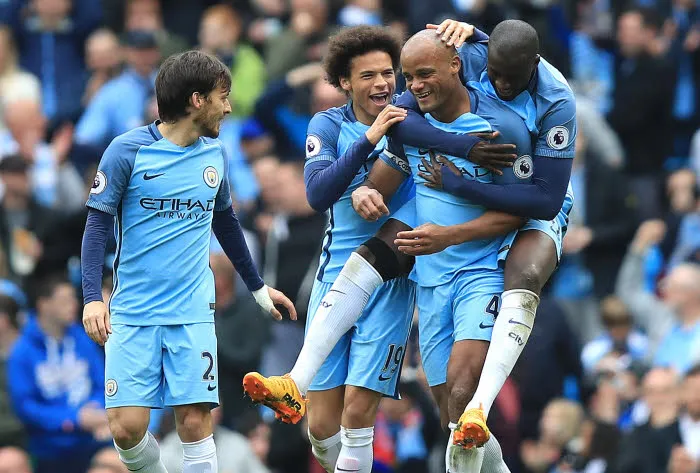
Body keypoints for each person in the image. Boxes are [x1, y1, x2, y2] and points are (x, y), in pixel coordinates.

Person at [247, 17, 575, 459]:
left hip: (475, 258)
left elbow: (537, 203)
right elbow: (386, 148)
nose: (500, 86)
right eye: (403, 76)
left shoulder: (525, 114)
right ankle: (294, 381)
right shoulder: (392, 114)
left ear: (457, 67)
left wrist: (457, 192)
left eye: (391, 74)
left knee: (417, 406)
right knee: (341, 428)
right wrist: (368, 187)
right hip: (401, 273)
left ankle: (482, 404)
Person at [80, 50, 297, 473]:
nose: (228, 107)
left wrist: (256, 287)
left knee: (195, 421)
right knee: (126, 429)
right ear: (197, 100)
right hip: (133, 312)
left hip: (192, 312)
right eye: (223, 96)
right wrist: (91, 297)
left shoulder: (215, 154)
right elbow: (96, 227)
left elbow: (226, 223)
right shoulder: (126, 151)